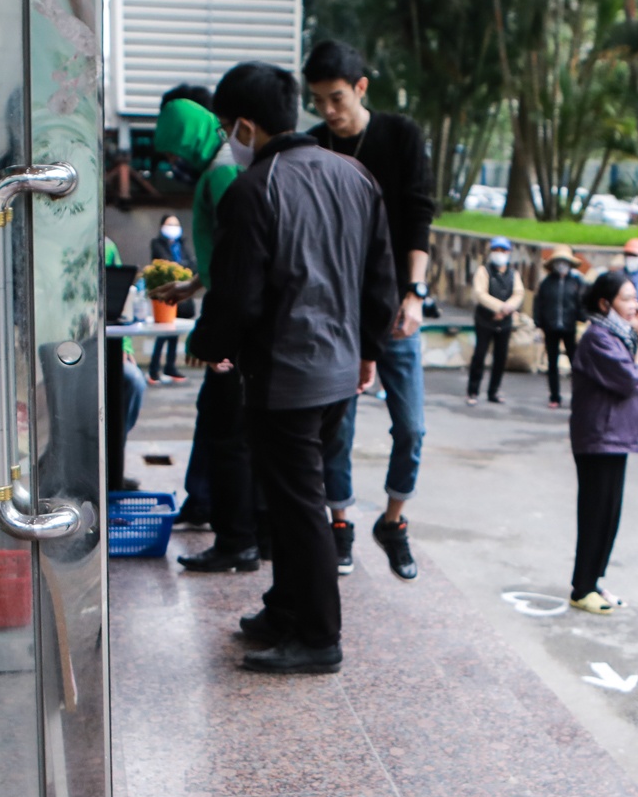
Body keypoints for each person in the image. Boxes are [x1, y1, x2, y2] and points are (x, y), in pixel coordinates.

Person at [190, 62, 397, 674]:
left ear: (247, 125)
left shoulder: (256, 188)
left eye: (229, 126)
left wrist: (210, 340)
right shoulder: (354, 175)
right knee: (289, 499)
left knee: (298, 503)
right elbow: (379, 279)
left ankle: (318, 636)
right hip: (338, 371)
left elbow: (239, 295)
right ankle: (284, 609)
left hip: (287, 374)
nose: (229, 136)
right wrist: (368, 350)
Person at [305, 40, 436, 582]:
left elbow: (419, 215)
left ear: (361, 88)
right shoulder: (312, 145)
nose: (329, 112)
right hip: (336, 310)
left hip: (395, 308)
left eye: (336, 98)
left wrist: (416, 293)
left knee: (412, 427)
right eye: (318, 101)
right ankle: (341, 523)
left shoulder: (400, 135)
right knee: (338, 428)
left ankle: (393, 521)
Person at [152, 96, 248, 562]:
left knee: (226, 424)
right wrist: (193, 285)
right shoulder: (219, 168)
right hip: (226, 311)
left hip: (235, 322)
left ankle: (234, 538)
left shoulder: (224, 174)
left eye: (175, 154)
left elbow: (236, 260)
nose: (173, 165)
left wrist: (214, 331)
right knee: (216, 416)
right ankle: (207, 505)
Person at [568, 271, 638, 613]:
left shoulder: (624, 335)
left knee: (609, 514)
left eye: (635, 297)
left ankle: (594, 582)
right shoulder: (598, 338)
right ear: (604, 303)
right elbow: (628, 380)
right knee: (595, 513)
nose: (633, 304)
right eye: (625, 298)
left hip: (618, 436)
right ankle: (581, 588)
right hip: (598, 436)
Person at [467, 236, 523, 404]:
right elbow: (480, 294)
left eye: (503, 251)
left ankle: (494, 391)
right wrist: (499, 307)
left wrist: (508, 309)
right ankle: (473, 391)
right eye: (496, 250)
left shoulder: (513, 274)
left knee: (500, 357)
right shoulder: (483, 271)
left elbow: (518, 293)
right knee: (480, 355)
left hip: (504, 321)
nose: (500, 254)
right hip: (485, 319)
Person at [534, 245, 587, 408]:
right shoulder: (547, 283)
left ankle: (579, 396)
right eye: (559, 262)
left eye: (565, 262)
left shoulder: (576, 282)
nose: (562, 265)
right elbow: (539, 303)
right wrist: (538, 323)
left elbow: (582, 303)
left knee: (575, 363)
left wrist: (583, 318)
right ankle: (554, 396)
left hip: (569, 327)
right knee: (552, 363)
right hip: (550, 328)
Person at [144, 214, 193, 383]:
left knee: (174, 333)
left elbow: (192, 264)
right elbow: (166, 262)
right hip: (165, 295)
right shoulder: (157, 243)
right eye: (169, 224)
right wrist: (181, 266)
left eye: (175, 224)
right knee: (163, 332)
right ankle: (153, 369)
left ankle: (170, 367)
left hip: (182, 296)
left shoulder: (182, 244)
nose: (172, 227)